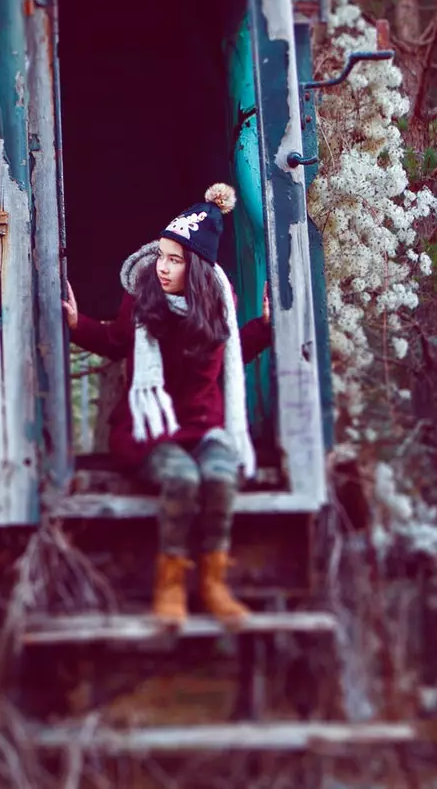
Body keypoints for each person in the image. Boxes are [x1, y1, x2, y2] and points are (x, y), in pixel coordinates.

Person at [62, 183, 272, 627]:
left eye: (174, 259)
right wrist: (77, 325)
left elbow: (233, 348)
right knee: (181, 478)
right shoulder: (141, 301)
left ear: (195, 266)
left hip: (204, 427)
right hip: (149, 429)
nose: (161, 267)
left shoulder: (220, 306)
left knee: (217, 475)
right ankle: (171, 584)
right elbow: (118, 341)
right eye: (160, 255)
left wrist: (267, 328)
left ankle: (214, 583)